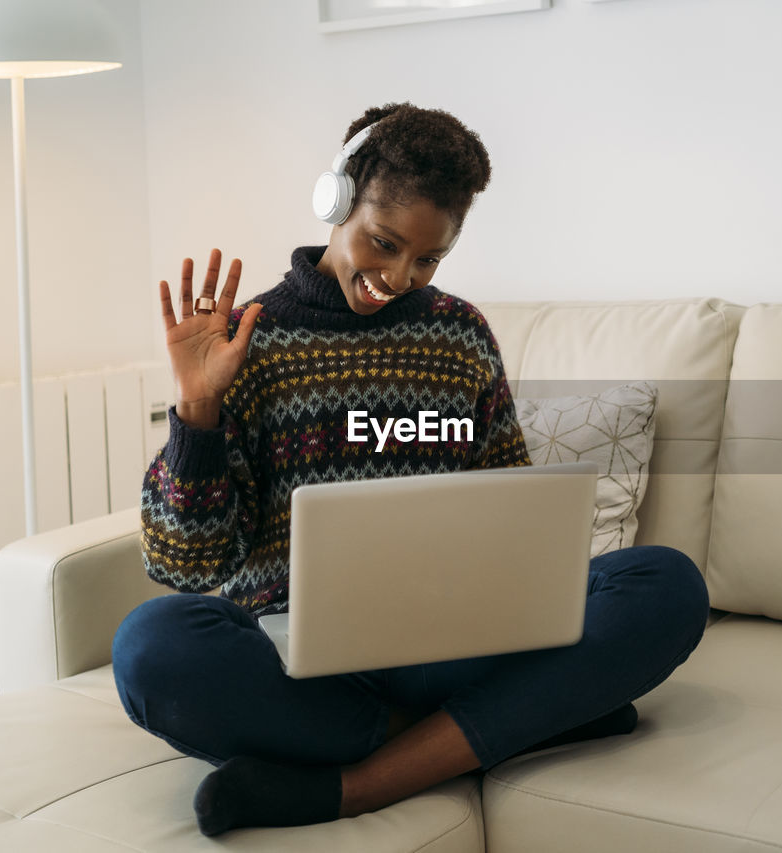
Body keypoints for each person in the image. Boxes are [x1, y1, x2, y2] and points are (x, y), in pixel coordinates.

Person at [111, 102, 710, 837]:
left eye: (426, 258)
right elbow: (185, 563)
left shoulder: (460, 334)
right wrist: (198, 410)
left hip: (452, 645)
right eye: (383, 242)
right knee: (150, 646)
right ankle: (513, 720)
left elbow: (512, 509)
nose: (397, 275)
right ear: (336, 200)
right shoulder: (248, 345)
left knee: (666, 584)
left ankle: (354, 783)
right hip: (302, 660)